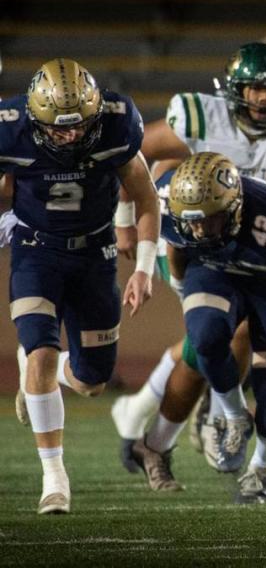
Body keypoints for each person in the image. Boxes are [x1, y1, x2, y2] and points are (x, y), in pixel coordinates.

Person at [110, 41, 266, 474]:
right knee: (216, 336)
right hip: (193, 240)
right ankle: (211, 418)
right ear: (235, 90)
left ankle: (164, 420)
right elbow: (130, 148)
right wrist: (123, 217)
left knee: (217, 338)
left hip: (249, 244)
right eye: (256, 88)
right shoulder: (201, 116)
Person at [129, 152, 266, 504]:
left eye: (208, 220)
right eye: (192, 220)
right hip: (213, 270)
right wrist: (184, 290)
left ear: (233, 209)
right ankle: (234, 417)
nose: (198, 228)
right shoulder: (174, 206)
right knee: (204, 334)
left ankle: (261, 470)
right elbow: (178, 247)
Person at [0, 58, 159, 514]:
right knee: (41, 353)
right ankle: (54, 476)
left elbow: (146, 195)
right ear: (34, 118)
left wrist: (144, 268)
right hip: (36, 247)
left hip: (95, 252)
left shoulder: (117, 123)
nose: (69, 137)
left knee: (92, 381)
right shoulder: (9, 129)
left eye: (78, 127)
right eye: (58, 129)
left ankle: (41, 375)